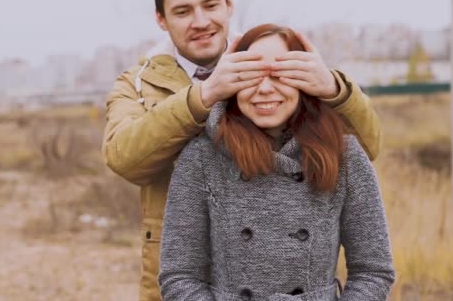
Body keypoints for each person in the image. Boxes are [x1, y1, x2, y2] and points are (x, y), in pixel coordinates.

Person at [102, 0, 383, 300]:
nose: (201, 21)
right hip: (181, 280)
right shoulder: (136, 84)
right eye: (182, 11)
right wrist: (204, 96)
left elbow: (362, 147)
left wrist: (334, 88)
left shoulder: (269, 57)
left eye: (210, 5)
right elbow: (125, 159)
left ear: (229, 4)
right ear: (161, 19)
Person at [159, 23, 395, 300]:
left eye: (280, 76)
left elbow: (373, 271)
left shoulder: (344, 154)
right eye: (251, 77)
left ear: (306, 80)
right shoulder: (201, 158)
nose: (265, 89)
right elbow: (179, 276)